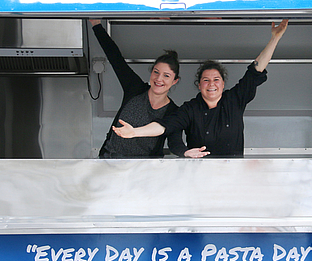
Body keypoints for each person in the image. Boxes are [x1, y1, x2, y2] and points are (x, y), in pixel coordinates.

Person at [111, 19, 289, 158]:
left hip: (233, 173)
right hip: (199, 173)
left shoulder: (234, 99)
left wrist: (275, 38)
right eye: (206, 80)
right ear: (199, 85)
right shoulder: (189, 109)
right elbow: (165, 127)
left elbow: (256, 69)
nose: (211, 84)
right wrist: (135, 132)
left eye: (216, 79)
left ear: (223, 84)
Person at [89, 19, 184, 158]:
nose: (159, 79)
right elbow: (115, 57)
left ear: (174, 81)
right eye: (156, 72)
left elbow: (175, 143)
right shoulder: (135, 88)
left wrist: (186, 152)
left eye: (166, 76)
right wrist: (96, 25)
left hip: (143, 171)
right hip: (109, 161)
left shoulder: (173, 112)